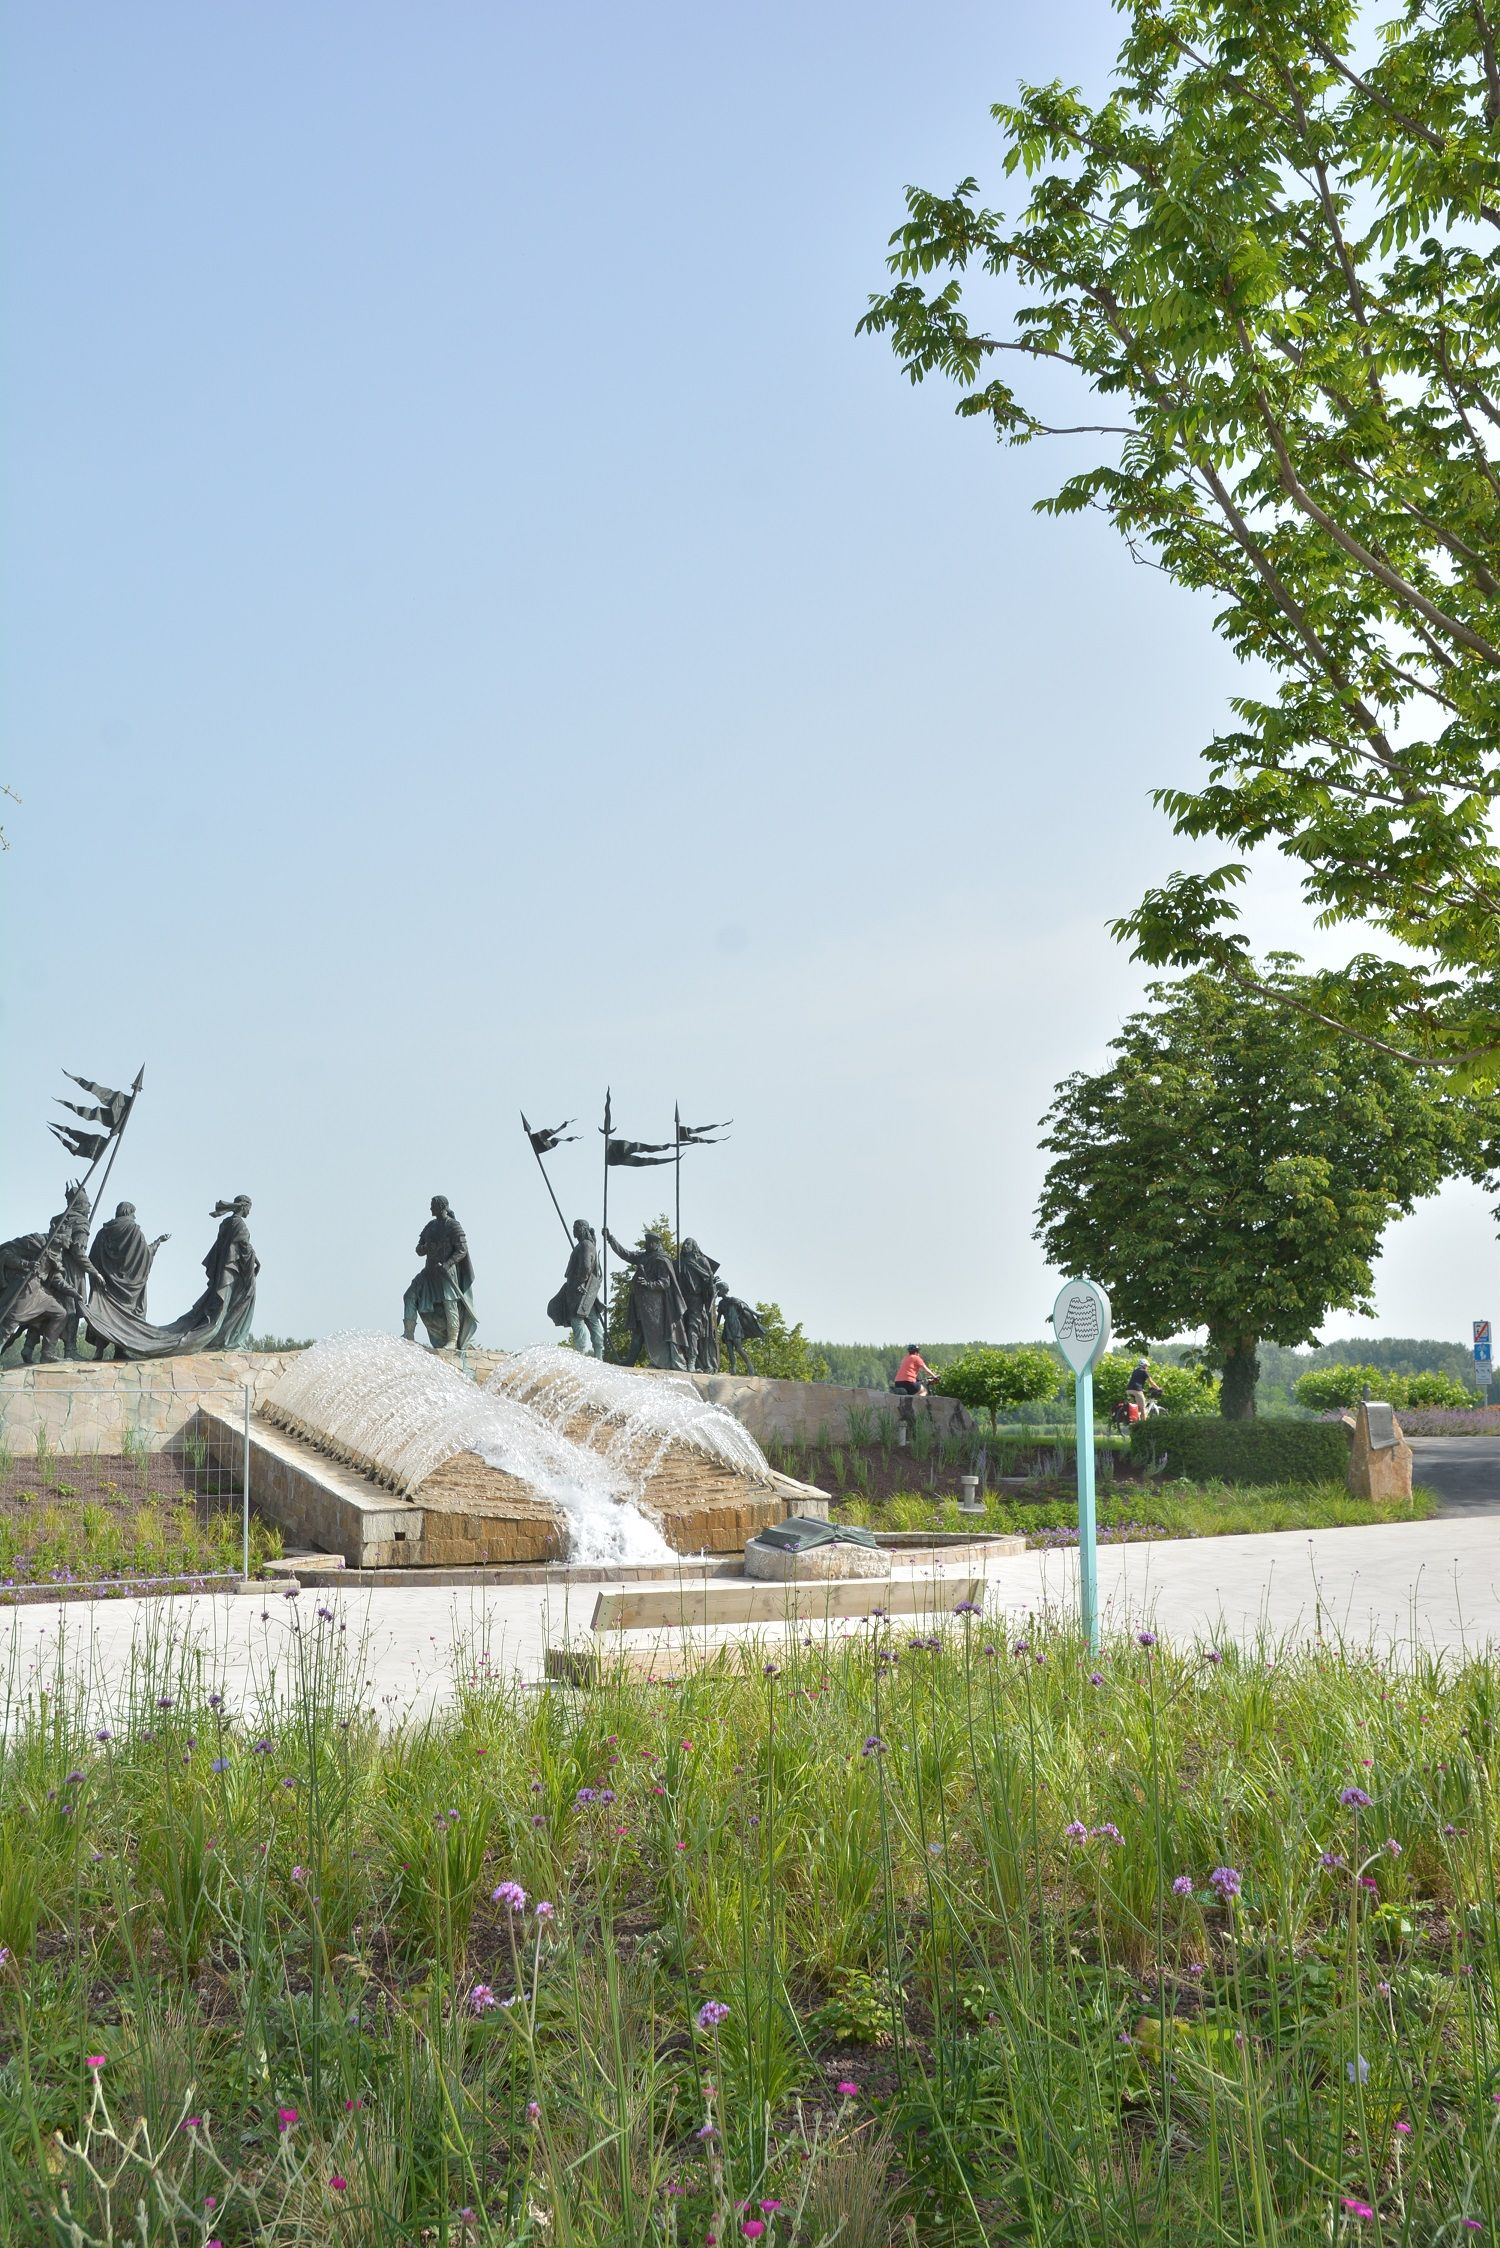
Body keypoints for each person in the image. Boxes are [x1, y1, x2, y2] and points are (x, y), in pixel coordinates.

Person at [86, 1201, 169, 1356]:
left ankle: (99, 1351)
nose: (135, 1217)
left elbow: (92, 1257)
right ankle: (121, 1350)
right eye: (133, 1213)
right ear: (128, 1212)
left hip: (106, 1283)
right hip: (128, 1288)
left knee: (104, 1314)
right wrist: (157, 1243)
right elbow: (144, 1255)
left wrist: (99, 1275)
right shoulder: (134, 1230)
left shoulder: (103, 1232)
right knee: (126, 1316)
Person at [605, 1226, 689, 1369]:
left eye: (649, 1242)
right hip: (640, 1303)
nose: (646, 1244)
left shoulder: (661, 1259)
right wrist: (611, 1239)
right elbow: (626, 1254)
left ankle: (661, 1362)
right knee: (638, 1332)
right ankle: (630, 1360)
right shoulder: (643, 1256)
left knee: (656, 1336)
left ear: (656, 1243)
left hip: (655, 1306)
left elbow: (665, 1282)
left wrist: (649, 1284)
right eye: (646, 1241)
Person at [402, 1195, 477, 1351]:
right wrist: (426, 1247)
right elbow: (418, 1250)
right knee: (409, 1295)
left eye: (432, 1205)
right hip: (429, 1273)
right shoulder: (430, 1226)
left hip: (447, 1274)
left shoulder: (453, 1226)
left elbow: (462, 1250)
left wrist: (448, 1264)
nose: (430, 1208)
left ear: (440, 1206)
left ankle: (452, 1340)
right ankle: (408, 1335)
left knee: (450, 1304)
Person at [547, 1217, 604, 1359]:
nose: (574, 1230)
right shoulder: (586, 1245)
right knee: (592, 1323)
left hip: (578, 1291)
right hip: (584, 1291)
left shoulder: (585, 1245)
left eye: (576, 1227)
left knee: (579, 1322)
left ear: (583, 1229)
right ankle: (599, 1356)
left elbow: (586, 1266)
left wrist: (580, 1283)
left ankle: (582, 1354)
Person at [676, 1237, 722, 1372]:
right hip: (681, 1299)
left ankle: (692, 1360)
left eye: (688, 1243)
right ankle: (680, 1359)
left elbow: (709, 1278)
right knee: (679, 1328)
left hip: (696, 1300)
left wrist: (708, 1297)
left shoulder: (701, 1261)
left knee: (692, 1329)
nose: (685, 1246)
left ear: (694, 1246)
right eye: (684, 1244)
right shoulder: (679, 1263)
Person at [715, 1283, 764, 1375]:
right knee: (729, 1349)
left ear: (722, 1290)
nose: (716, 1292)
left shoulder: (733, 1300)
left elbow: (745, 1308)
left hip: (735, 1326)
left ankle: (749, 1365)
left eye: (718, 1289)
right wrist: (714, 1328)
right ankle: (733, 1368)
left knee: (738, 1348)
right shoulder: (721, 1304)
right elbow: (719, 1317)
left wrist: (757, 1314)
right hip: (727, 1327)